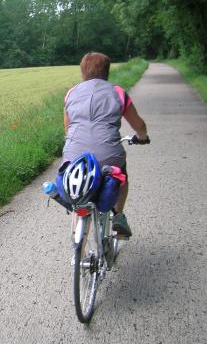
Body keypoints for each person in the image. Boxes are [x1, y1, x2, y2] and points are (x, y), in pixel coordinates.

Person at [63, 52, 149, 237]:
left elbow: (68, 129)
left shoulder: (71, 93)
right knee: (121, 176)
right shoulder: (117, 93)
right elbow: (139, 125)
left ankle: (78, 216)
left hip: (74, 155)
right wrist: (142, 137)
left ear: (82, 72)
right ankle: (118, 216)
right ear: (107, 71)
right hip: (108, 154)